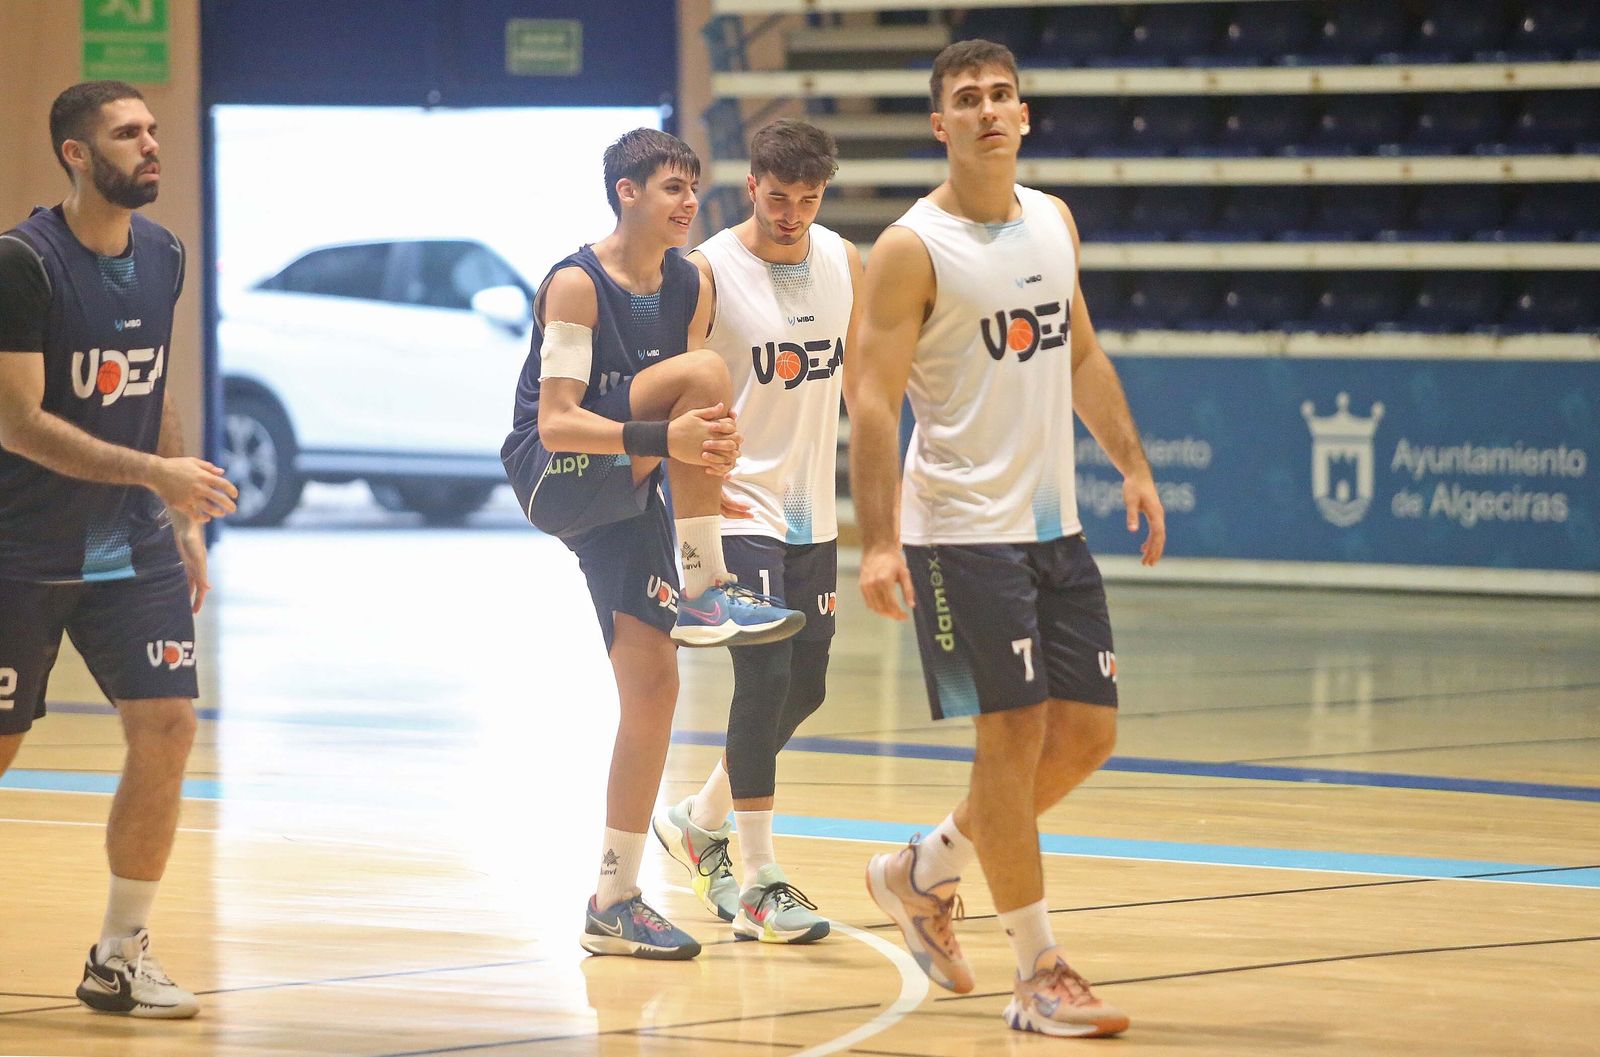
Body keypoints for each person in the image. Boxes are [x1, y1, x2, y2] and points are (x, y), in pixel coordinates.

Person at [847, 41, 1167, 1038]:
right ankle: (1039, 971)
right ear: (939, 126)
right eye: (965, 100)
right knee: (1012, 733)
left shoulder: (1054, 220)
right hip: (959, 533)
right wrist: (878, 539)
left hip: (1052, 524)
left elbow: (1081, 353)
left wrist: (1133, 462)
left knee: (1087, 734)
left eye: (1000, 95)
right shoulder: (911, 248)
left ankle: (922, 869)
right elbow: (870, 401)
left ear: (1023, 114)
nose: (987, 111)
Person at [501, 128, 806, 961]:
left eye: (694, 187)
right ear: (626, 191)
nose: (688, 202)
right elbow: (557, 419)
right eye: (672, 186)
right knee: (706, 380)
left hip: (628, 487)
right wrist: (668, 442)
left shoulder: (689, 282)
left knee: (654, 685)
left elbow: (680, 434)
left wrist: (695, 457)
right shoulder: (575, 283)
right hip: (557, 469)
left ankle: (614, 895)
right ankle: (708, 583)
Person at [0, 81, 240, 1019]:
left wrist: (176, 507)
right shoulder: (23, 264)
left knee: (169, 727)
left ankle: (118, 954)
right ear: (75, 153)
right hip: (22, 547)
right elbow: (19, 424)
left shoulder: (164, 253)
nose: (150, 146)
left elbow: (153, 380)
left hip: (131, 546)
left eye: (151, 130)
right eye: (127, 134)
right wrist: (158, 475)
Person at [653, 119, 859, 945]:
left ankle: (699, 818)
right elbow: (669, 392)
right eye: (779, 198)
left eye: (808, 199)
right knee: (764, 679)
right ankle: (761, 877)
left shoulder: (844, 259)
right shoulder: (706, 273)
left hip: (811, 507)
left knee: (806, 686)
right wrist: (687, 500)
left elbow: (868, 375)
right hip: (738, 509)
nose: (792, 214)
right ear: (752, 187)